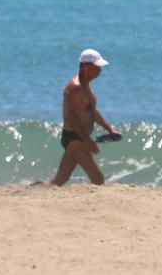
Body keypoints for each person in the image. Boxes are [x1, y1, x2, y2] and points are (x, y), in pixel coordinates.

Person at [50, 49, 120, 186]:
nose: (100, 70)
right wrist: (87, 140)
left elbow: (91, 110)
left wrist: (109, 129)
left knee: (60, 179)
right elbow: (73, 118)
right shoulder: (75, 88)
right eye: (97, 67)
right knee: (98, 179)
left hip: (79, 138)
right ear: (86, 67)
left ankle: (38, 191)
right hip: (75, 138)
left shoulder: (86, 84)